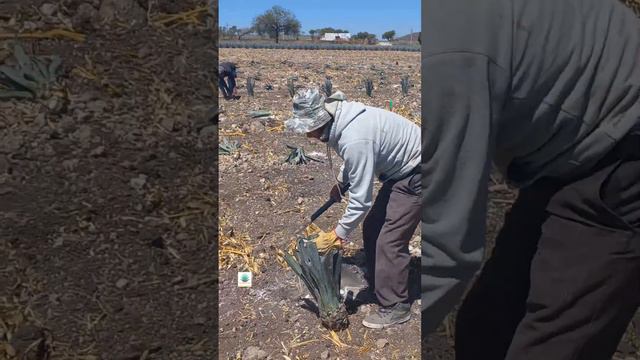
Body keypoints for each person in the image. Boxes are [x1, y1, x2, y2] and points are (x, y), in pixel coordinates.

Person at [422, 0, 640, 358]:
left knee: (551, 346)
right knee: (488, 328)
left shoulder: (446, 63)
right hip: (564, 135)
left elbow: (444, 250)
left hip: (622, 139)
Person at [285, 88, 421, 329]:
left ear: (322, 120)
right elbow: (356, 162)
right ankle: (384, 274)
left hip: (419, 173)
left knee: (389, 241)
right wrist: (341, 182)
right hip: (400, 171)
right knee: (372, 227)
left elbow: (361, 200)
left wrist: (339, 233)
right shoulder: (342, 119)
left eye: (309, 129)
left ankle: (395, 306)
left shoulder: (355, 136)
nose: (309, 136)